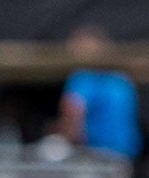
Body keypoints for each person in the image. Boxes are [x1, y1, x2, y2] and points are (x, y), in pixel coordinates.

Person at [55, 27, 141, 161]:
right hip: (127, 157)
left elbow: (73, 121)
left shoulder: (81, 79)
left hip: (96, 157)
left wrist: (55, 140)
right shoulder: (122, 79)